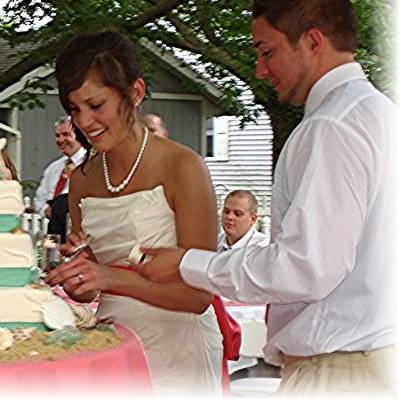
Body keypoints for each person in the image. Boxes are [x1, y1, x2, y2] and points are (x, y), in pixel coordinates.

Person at [138, 0, 399, 396]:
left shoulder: (330, 127)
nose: (260, 70)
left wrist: (188, 264)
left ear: (313, 41)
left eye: (267, 51)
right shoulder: (379, 112)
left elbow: (304, 268)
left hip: (337, 368)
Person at [45, 30, 224, 396]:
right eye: (74, 110)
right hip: (114, 349)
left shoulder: (183, 166)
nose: (85, 122)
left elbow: (198, 297)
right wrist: (80, 277)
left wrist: (109, 278)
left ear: (136, 93)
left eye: (96, 105)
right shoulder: (81, 180)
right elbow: (95, 281)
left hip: (179, 350)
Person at [33, 116, 87, 242]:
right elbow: (39, 199)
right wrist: (47, 210)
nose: (61, 140)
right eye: (57, 135)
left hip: (79, 232)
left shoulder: (90, 163)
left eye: (66, 134)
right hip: (54, 231)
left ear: (79, 135)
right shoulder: (54, 168)